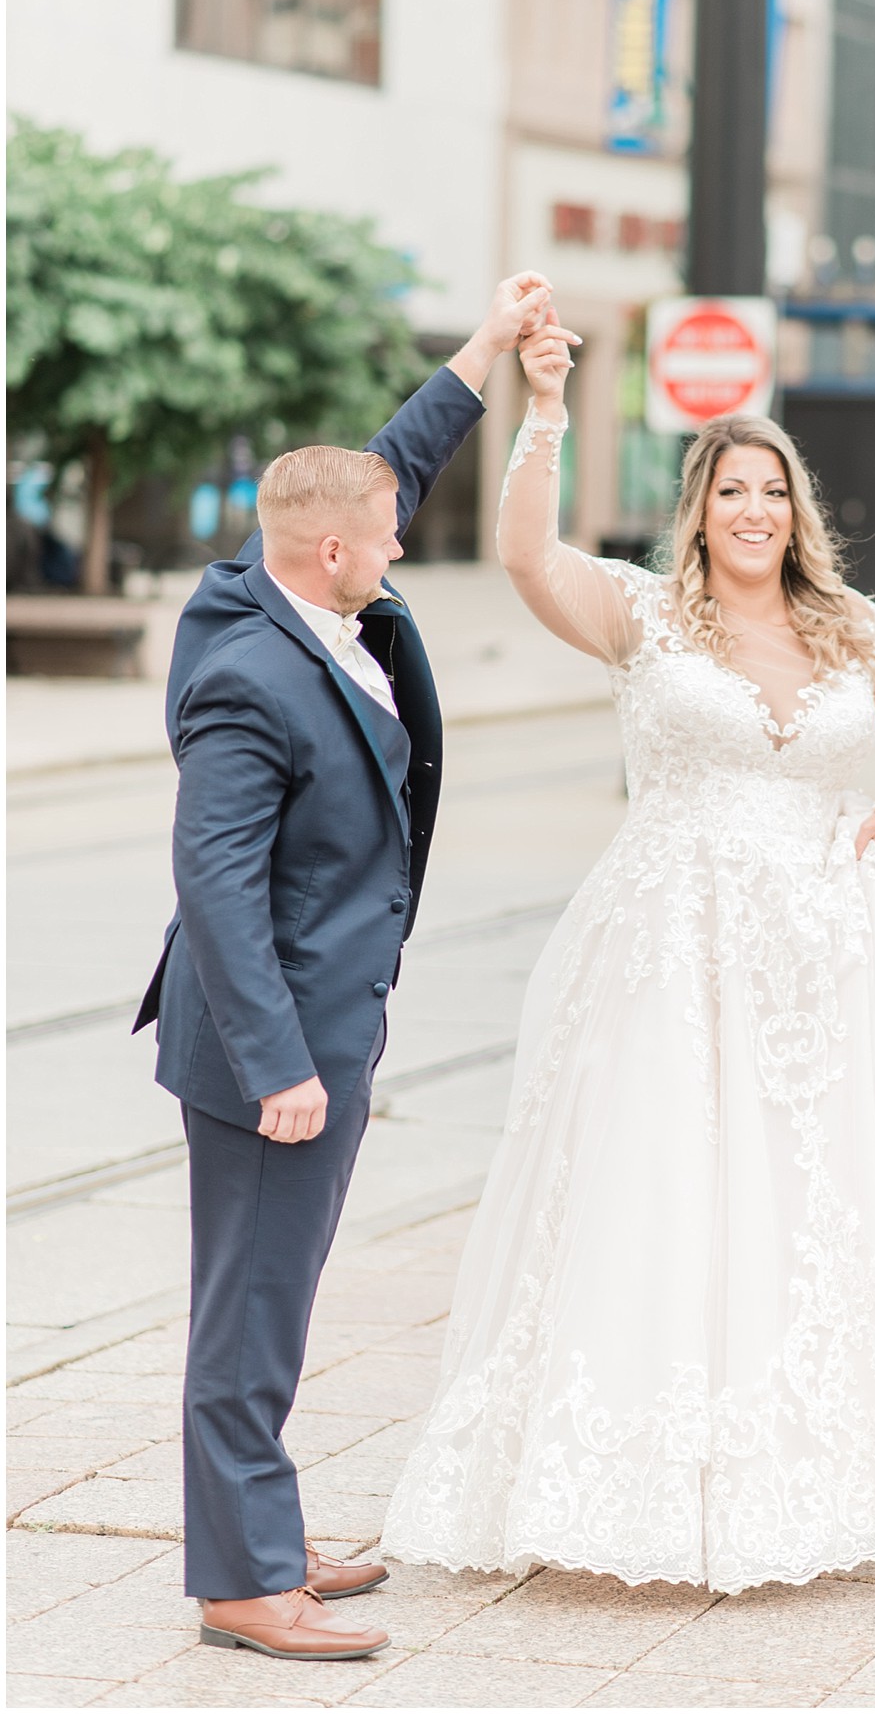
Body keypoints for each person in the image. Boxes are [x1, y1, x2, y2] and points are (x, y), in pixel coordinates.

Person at [383, 308, 875, 1591]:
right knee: (671, 1196)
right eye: (729, 491)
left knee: (843, 1199)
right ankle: (669, 1486)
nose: (752, 510)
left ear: (795, 510)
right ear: (698, 510)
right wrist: (543, 401)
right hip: (671, 948)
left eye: (772, 490)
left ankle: (869, 1460)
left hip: (833, 958)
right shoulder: (644, 617)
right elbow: (527, 552)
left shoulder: (853, 627)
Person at [132, 272, 567, 1661]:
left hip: (327, 1021)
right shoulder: (248, 676)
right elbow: (214, 884)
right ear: (331, 555)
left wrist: (487, 347)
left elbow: (390, 467)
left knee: (278, 1287)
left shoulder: (309, 588)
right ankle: (243, 1582)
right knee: (249, 1305)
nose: (400, 540)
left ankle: (261, 1528)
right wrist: (279, 1066)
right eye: (383, 535)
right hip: (277, 1047)